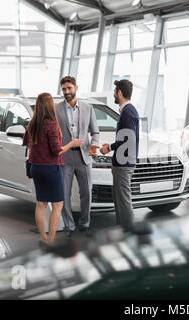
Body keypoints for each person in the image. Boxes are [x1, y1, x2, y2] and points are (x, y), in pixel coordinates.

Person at [22, 93, 82, 246]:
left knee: (41, 204)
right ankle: (51, 240)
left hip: (36, 167)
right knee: (58, 204)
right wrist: (72, 143)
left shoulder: (32, 124)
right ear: (50, 106)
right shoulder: (51, 124)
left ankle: (43, 238)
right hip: (51, 169)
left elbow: (26, 143)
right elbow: (57, 151)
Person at [55, 76, 100, 239]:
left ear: (76, 88)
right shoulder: (56, 108)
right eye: (64, 89)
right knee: (64, 193)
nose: (67, 92)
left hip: (84, 156)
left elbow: (95, 132)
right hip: (65, 157)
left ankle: (85, 223)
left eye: (69, 88)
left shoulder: (88, 108)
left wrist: (94, 144)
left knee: (86, 192)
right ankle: (69, 225)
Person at [100, 79, 139, 232]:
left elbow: (127, 139)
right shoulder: (128, 111)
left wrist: (109, 147)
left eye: (115, 92)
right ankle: (123, 231)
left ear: (120, 93)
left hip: (124, 163)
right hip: (123, 162)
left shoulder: (128, 112)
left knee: (123, 200)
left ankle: (129, 233)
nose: (114, 95)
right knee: (120, 200)